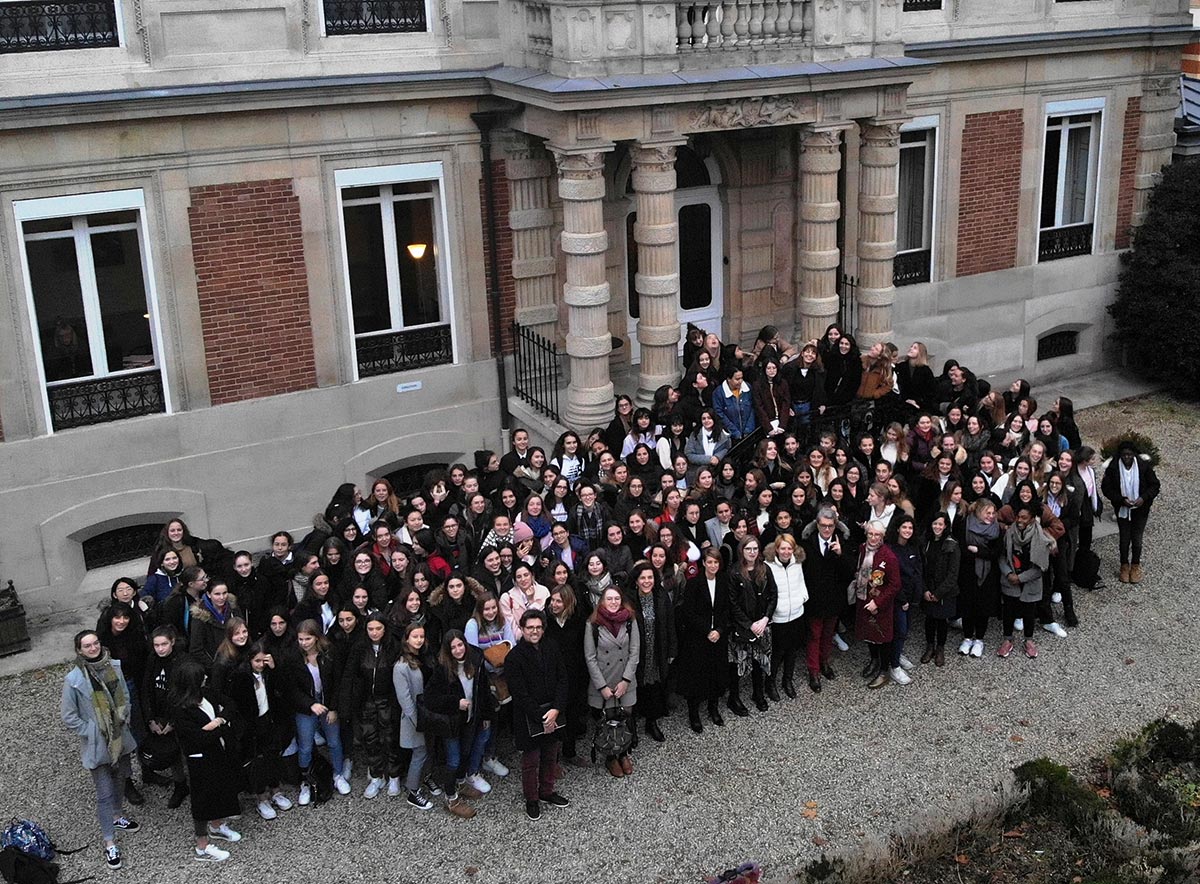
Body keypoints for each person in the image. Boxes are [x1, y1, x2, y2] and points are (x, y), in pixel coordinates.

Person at [61, 629, 141, 871]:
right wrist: (93, 730)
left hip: (120, 738)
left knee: (121, 779)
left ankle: (117, 817)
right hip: (98, 745)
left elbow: (125, 695)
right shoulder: (74, 679)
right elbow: (68, 716)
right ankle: (109, 842)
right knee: (104, 792)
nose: (93, 648)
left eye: (95, 643)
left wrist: (123, 715)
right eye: (87, 645)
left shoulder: (113, 666)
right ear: (79, 650)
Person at [169, 658, 242, 863]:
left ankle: (217, 825)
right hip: (200, 760)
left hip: (219, 752)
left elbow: (230, 704)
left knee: (221, 788)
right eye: (201, 678)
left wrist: (218, 722)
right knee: (202, 800)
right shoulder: (180, 709)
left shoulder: (207, 693)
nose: (206, 679)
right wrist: (222, 726)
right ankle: (202, 846)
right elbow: (198, 738)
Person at [505, 608, 571, 820]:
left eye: (538, 627)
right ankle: (532, 798)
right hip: (529, 716)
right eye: (530, 627)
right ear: (522, 629)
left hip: (553, 710)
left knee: (551, 755)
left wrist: (556, 709)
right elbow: (519, 694)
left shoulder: (551, 647)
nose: (534, 631)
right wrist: (543, 717)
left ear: (543, 629)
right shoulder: (513, 657)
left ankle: (547, 791)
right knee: (531, 760)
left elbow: (563, 678)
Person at [424, 630, 496, 817]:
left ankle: (462, 783)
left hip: (471, 719)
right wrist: (455, 703)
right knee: (454, 761)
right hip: (452, 723)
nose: (457, 650)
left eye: (460, 645)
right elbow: (430, 698)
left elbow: (483, 691)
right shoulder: (442, 668)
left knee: (465, 753)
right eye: (453, 647)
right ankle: (451, 797)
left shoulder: (475, 661)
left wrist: (486, 716)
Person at [281, 618, 351, 804]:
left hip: (327, 704)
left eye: (307, 639)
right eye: (301, 639)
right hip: (306, 707)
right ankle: (307, 781)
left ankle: (337, 775)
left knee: (334, 741)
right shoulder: (292, 657)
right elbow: (291, 689)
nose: (303, 643)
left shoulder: (329, 653)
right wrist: (310, 704)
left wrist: (334, 708)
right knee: (305, 745)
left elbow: (336, 682)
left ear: (317, 638)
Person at [226, 640, 293, 820]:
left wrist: (274, 668)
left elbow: (283, 689)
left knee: (273, 757)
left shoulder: (270, 674)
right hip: (251, 727)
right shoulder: (241, 677)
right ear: (250, 660)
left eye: (264, 661)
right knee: (257, 763)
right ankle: (261, 797)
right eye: (257, 661)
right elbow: (236, 705)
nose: (261, 665)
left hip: (269, 721)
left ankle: (276, 791)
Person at [340, 616, 402, 799]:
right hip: (366, 701)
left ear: (385, 629)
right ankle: (376, 776)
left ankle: (394, 776)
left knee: (391, 739)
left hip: (387, 700)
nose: (374, 632)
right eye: (370, 629)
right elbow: (350, 675)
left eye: (378, 628)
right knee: (370, 739)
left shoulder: (393, 647)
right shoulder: (359, 648)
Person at [584, 586, 641, 777]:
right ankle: (611, 757)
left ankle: (623, 752)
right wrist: (602, 686)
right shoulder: (592, 624)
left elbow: (635, 652)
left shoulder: (630, 620)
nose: (614, 602)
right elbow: (590, 658)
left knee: (626, 716)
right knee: (608, 719)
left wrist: (626, 680)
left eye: (617, 598)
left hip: (625, 678)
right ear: (602, 601)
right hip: (604, 680)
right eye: (609, 599)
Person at [675, 548, 730, 731]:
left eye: (716, 562)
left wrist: (719, 630)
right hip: (699, 637)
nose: (713, 565)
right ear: (704, 563)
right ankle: (694, 713)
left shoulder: (723, 581)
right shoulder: (694, 583)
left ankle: (713, 709)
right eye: (710, 562)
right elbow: (688, 613)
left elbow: (726, 610)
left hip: (718, 637)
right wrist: (707, 630)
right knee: (697, 675)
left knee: (716, 672)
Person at [801, 507, 852, 693]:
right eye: (823, 526)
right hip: (814, 600)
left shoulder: (842, 541)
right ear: (817, 524)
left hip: (833, 599)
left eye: (830, 526)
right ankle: (813, 671)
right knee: (814, 635)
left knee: (828, 635)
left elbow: (849, 571)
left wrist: (840, 555)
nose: (827, 530)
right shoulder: (807, 543)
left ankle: (824, 662)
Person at [727, 536, 777, 714]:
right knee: (737, 664)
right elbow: (732, 603)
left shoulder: (765, 569)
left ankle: (758, 693)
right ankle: (734, 698)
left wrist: (764, 619)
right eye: (748, 549)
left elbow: (773, 595)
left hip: (762, 625)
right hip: (742, 627)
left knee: (759, 661)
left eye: (755, 548)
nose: (752, 552)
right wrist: (749, 624)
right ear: (742, 550)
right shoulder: (734, 572)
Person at [997, 505, 1054, 659]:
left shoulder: (1040, 536)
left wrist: (1020, 578)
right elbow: (1002, 556)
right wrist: (1008, 573)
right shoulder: (1009, 533)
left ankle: (1029, 640)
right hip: (1010, 579)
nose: (1020, 520)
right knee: (1008, 611)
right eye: (1018, 517)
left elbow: (1040, 567)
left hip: (1029, 581)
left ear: (1031, 519)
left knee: (1029, 612)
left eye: (1024, 518)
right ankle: (1007, 639)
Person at [1101, 439, 1160, 584]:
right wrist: (1121, 500)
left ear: (1134, 454)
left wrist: (1143, 498)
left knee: (1137, 540)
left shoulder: (1143, 466)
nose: (1127, 457)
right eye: (1124, 455)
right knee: (1124, 539)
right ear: (1120, 455)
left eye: (1129, 454)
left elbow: (1155, 485)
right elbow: (1106, 488)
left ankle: (1135, 565)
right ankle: (1124, 565)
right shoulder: (1113, 468)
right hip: (1123, 509)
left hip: (1140, 509)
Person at [629, 561, 676, 744]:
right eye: (643, 578)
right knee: (634, 689)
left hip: (656, 650)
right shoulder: (629, 599)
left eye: (650, 577)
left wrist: (672, 649)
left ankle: (651, 722)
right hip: (636, 652)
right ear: (636, 581)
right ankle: (631, 727)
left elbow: (670, 624)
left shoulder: (661, 596)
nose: (647, 581)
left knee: (654, 687)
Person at [391, 622, 436, 811]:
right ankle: (413, 791)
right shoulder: (401, 666)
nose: (419, 640)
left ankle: (426, 778)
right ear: (407, 638)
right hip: (415, 718)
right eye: (415, 636)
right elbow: (405, 699)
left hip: (430, 712)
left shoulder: (424, 656)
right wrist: (418, 722)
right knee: (419, 753)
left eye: (421, 636)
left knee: (429, 750)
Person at [853, 521, 901, 689]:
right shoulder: (862, 549)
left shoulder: (889, 556)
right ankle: (874, 660)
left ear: (883, 536)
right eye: (870, 534)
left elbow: (895, 585)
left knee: (882, 638)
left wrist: (878, 602)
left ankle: (884, 671)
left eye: (877, 535)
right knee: (869, 634)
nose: (873, 538)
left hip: (880, 605)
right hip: (863, 599)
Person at [921, 512, 961, 666]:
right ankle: (929, 646)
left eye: (940, 524)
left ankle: (940, 648)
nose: (937, 527)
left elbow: (953, 574)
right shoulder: (926, 542)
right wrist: (925, 590)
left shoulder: (952, 545)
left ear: (945, 526)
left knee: (941, 620)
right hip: (928, 588)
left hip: (944, 591)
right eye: (934, 524)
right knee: (929, 619)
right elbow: (921, 569)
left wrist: (938, 593)